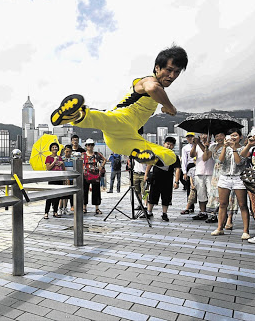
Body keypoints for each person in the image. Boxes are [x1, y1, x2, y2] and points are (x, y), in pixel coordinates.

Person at [50, 45, 188, 168]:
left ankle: (141, 155)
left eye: (177, 72)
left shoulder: (158, 90)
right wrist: (170, 107)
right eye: (169, 70)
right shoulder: (148, 81)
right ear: (157, 67)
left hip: (123, 138)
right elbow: (152, 88)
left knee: (170, 155)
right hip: (123, 118)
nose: (172, 75)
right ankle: (76, 115)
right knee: (106, 119)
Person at [211, 129, 250, 239]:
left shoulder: (243, 149)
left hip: (238, 178)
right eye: (231, 135)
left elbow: (239, 162)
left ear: (240, 137)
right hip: (224, 177)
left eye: (236, 135)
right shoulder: (225, 148)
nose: (233, 138)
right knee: (223, 204)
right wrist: (224, 147)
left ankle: (245, 231)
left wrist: (234, 149)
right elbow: (220, 161)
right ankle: (219, 228)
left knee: (242, 204)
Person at [142, 137, 181, 222]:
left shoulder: (174, 156)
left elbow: (177, 169)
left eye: (171, 145)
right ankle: (149, 212)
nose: (169, 146)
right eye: (167, 144)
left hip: (168, 179)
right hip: (156, 177)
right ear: (164, 144)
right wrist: (146, 174)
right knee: (152, 194)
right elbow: (150, 163)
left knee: (166, 196)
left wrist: (176, 181)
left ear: (173, 146)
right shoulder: (158, 153)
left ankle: (164, 213)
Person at [206, 131, 239, 227]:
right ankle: (219, 217)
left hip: (227, 171)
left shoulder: (230, 146)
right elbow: (206, 157)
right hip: (216, 173)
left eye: (221, 135)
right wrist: (205, 147)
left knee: (230, 196)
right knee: (218, 198)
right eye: (216, 136)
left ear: (225, 136)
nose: (219, 137)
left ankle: (229, 218)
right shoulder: (212, 147)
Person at [190, 134, 215, 222]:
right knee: (201, 193)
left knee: (211, 193)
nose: (204, 136)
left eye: (206, 134)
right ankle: (203, 212)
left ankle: (213, 213)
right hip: (199, 172)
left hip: (210, 172)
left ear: (210, 136)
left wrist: (200, 144)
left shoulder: (213, 145)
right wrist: (194, 145)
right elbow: (192, 155)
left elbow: (206, 155)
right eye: (202, 134)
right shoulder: (197, 145)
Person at [82, 139, 106, 215]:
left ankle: (97, 208)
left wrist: (101, 167)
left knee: (96, 192)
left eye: (92, 145)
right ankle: (84, 207)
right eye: (88, 145)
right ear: (86, 146)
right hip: (86, 175)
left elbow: (104, 159)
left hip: (95, 175)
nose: (90, 146)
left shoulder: (97, 154)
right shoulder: (83, 155)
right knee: (85, 191)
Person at [44, 143, 65, 219]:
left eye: (56, 147)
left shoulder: (60, 157)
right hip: (52, 178)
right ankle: (46, 212)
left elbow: (63, 169)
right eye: (53, 147)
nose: (55, 148)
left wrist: (62, 163)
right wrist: (54, 161)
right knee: (49, 196)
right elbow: (48, 168)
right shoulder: (48, 158)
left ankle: (55, 211)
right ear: (51, 149)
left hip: (59, 178)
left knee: (57, 196)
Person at [181, 132, 197, 214]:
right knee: (189, 188)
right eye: (188, 137)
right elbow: (184, 160)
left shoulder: (199, 146)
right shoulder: (185, 148)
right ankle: (190, 206)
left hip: (198, 165)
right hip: (190, 166)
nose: (190, 138)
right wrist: (184, 172)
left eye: (191, 136)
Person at [61, 145, 74, 214]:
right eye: (67, 151)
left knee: (70, 194)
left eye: (70, 152)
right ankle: (61, 207)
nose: (68, 153)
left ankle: (68, 207)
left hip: (72, 178)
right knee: (63, 194)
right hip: (64, 179)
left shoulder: (73, 159)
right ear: (64, 151)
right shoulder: (61, 159)